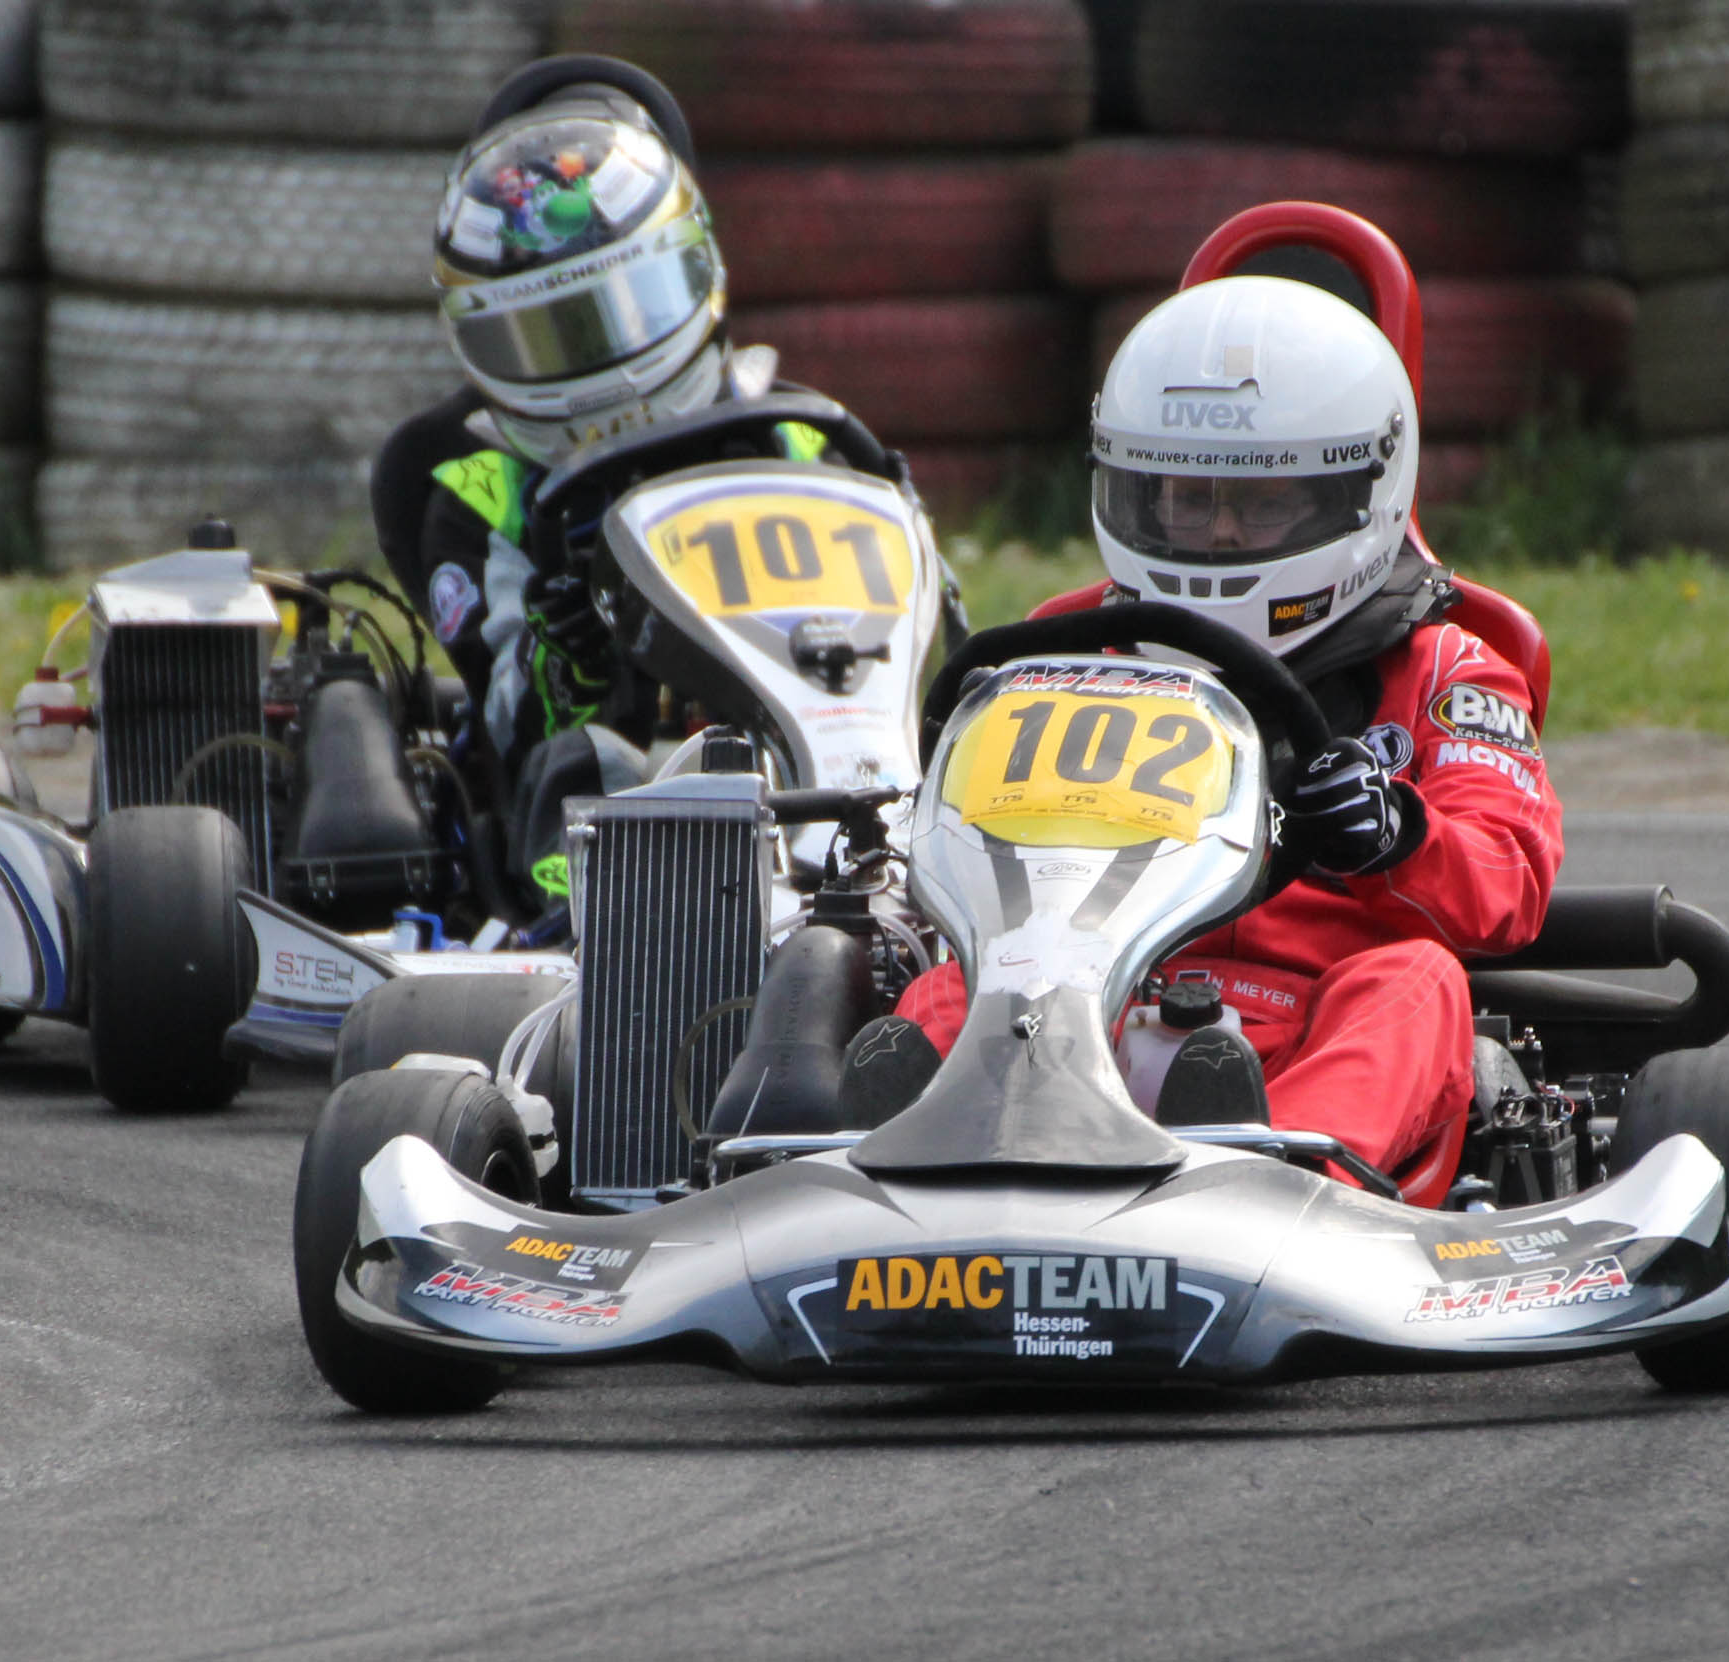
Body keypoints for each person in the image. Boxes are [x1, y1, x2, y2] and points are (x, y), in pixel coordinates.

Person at [875, 273, 1566, 1208]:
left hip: (1310, 1018)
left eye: (1263, 503)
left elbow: (1508, 884)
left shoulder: (1445, 671)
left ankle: (1274, 1180)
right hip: (1084, 993)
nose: (1222, 530)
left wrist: (1397, 838)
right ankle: (882, 1163)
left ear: (1357, 492)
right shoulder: (1065, 643)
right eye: (1187, 501)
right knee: (957, 983)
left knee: (1417, 981)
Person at [368, 55, 830, 905]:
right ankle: (611, 934)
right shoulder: (476, 489)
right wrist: (571, 663)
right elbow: (514, 735)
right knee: (593, 764)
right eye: (552, 337)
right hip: (593, 824)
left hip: (818, 777)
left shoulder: (800, 441)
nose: (599, 371)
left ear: (691, 272)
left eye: (623, 311)